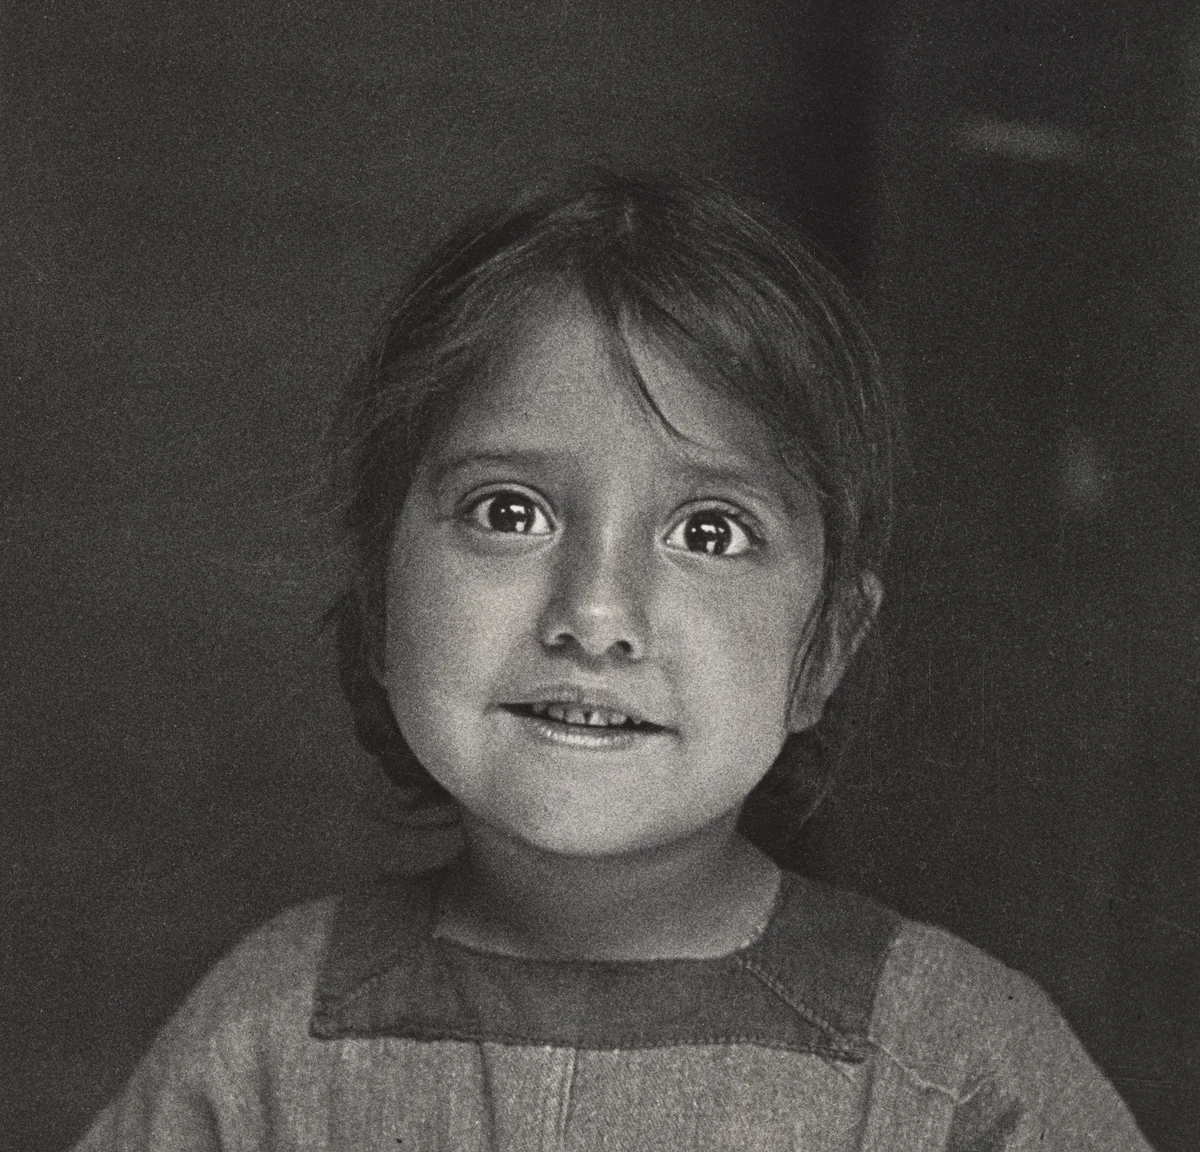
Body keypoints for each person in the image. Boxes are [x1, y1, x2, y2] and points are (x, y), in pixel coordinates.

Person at [73, 169, 1153, 1150]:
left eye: (711, 533)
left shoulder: (954, 1069)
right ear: (378, 601)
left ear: (823, 651)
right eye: (509, 511)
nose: (594, 615)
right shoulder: (263, 1040)